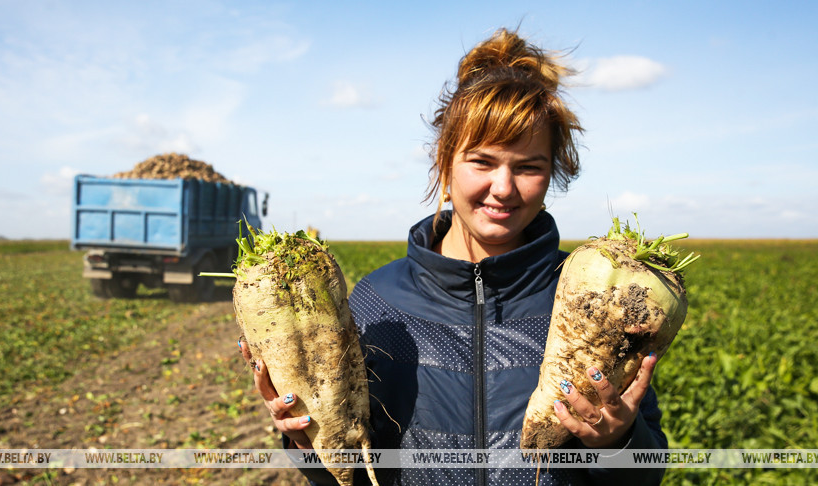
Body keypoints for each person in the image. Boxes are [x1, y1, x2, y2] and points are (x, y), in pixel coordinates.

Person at [240, 28, 667, 485]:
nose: (503, 188)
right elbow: (354, 477)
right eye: (482, 162)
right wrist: (308, 443)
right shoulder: (378, 303)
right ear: (445, 163)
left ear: (551, 175)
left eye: (528, 167)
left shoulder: (596, 298)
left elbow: (645, 472)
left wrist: (619, 443)